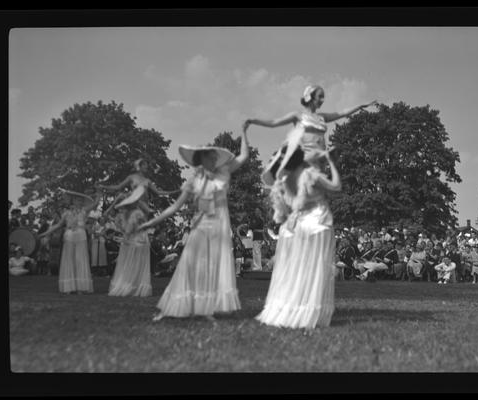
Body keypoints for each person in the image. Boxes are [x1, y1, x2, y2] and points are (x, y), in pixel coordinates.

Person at [139, 128, 250, 322]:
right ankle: (175, 305)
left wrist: (244, 131)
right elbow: (174, 207)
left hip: (220, 227)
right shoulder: (193, 182)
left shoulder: (223, 172)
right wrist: (151, 222)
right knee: (190, 264)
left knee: (212, 266)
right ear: (203, 159)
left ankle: (206, 307)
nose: (215, 159)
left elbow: (244, 156)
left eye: (216, 156)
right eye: (212, 156)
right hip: (201, 225)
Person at [255, 145, 341, 329]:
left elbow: (282, 212)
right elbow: (336, 186)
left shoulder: (283, 181)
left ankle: (289, 309)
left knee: (294, 269)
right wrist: (332, 163)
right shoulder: (309, 175)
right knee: (312, 267)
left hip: (293, 225)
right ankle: (306, 311)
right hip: (316, 222)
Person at [243, 85, 376, 173]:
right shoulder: (297, 116)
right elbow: (274, 123)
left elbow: (342, 113)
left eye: (323, 97)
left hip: (319, 162)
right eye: (320, 96)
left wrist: (359, 106)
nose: (322, 100)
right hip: (304, 160)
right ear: (310, 97)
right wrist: (254, 121)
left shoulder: (322, 117)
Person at [38, 189, 101, 294]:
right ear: (73, 201)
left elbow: (95, 204)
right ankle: (69, 287)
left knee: (80, 260)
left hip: (81, 237)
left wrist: (99, 195)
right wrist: (45, 233)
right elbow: (58, 225)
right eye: (77, 200)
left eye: (81, 200)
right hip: (69, 237)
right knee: (69, 260)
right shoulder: (66, 213)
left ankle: (81, 287)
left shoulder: (84, 210)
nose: (79, 202)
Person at [104, 193, 152, 297]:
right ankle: (132, 284)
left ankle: (133, 285)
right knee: (130, 262)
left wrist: (126, 232)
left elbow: (132, 228)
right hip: (133, 239)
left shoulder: (135, 213)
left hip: (137, 239)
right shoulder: (126, 214)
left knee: (133, 262)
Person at [96, 158, 179, 215]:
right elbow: (118, 187)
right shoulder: (131, 177)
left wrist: (172, 192)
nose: (146, 166)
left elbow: (158, 192)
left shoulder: (147, 181)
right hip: (134, 202)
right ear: (139, 167)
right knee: (121, 195)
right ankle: (110, 209)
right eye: (144, 165)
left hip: (143, 204)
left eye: (146, 165)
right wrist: (104, 186)